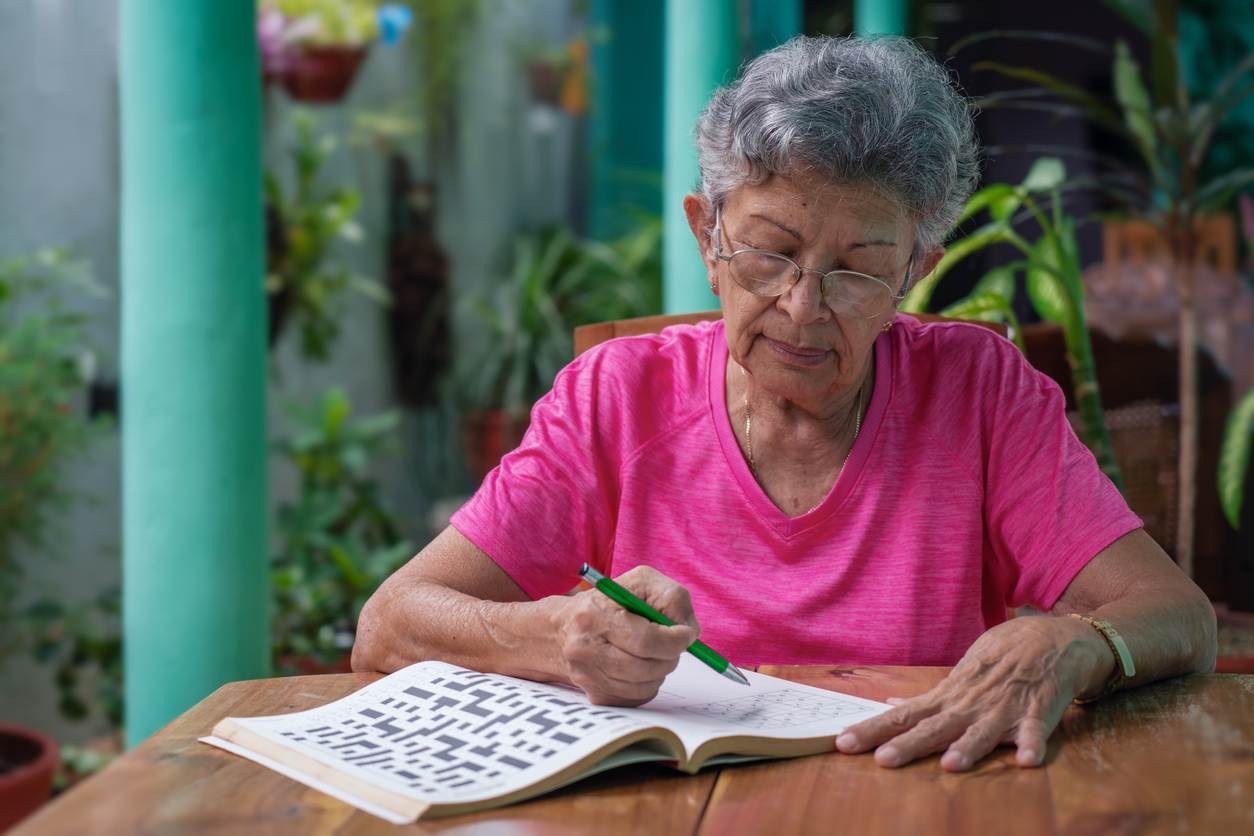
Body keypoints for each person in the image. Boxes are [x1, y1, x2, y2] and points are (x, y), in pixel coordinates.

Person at [354, 36, 1216, 773]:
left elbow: (1177, 614)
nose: (804, 308)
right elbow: (388, 626)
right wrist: (556, 636)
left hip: (911, 795)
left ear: (913, 272)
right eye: (770, 254)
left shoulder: (979, 392)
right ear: (708, 238)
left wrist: (1078, 641)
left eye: (860, 267)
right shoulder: (617, 397)